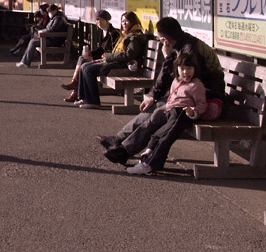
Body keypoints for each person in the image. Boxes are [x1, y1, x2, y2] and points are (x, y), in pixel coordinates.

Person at [100, 17, 225, 164]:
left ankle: (125, 150)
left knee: (160, 112)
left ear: (166, 39)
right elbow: (173, 78)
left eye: (160, 39)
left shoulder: (190, 49)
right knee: (153, 105)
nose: (160, 42)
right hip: (189, 92)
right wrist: (153, 95)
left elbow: (181, 77)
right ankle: (119, 139)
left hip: (204, 96)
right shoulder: (181, 45)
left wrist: (167, 57)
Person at [124, 52, 207, 175]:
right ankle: (148, 155)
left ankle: (149, 165)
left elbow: (202, 104)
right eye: (182, 69)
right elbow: (171, 97)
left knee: (166, 137)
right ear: (177, 69)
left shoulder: (196, 85)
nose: (185, 72)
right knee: (157, 134)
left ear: (195, 69)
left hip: (183, 113)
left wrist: (193, 111)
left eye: (189, 68)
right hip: (171, 111)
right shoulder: (176, 81)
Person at [73, 11, 146, 109]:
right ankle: (83, 98)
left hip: (122, 65)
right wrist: (107, 56)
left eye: (127, 21)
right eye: (122, 21)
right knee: (84, 65)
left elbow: (129, 55)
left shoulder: (134, 36)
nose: (124, 23)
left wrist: (109, 57)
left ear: (133, 21)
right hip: (117, 62)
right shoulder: (126, 34)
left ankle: (93, 101)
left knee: (88, 69)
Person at [62, 10, 120, 102]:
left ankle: (76, 91)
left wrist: (93, 58)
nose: (99, 22)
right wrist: (91, 54)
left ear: (107, 21)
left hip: (108, 60)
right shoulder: (102, 31)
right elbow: (101, 49)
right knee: (82, 58)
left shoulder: (113, 33)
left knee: (85, 65)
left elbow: (110, 51)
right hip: (103, 58)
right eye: (97, 20)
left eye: (101, 20)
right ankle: (75, 86)